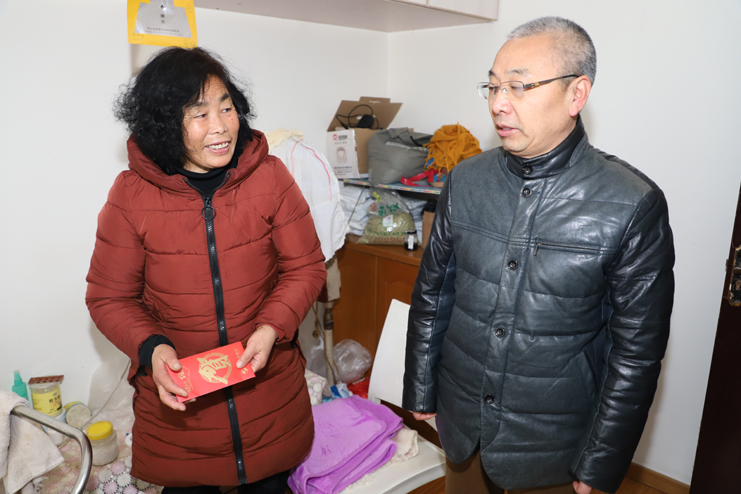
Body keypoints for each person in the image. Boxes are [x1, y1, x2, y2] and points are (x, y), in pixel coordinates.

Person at [402, 16, 674, 494]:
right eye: (492, 86)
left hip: (555, 450)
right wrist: (420, 388)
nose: (498, 103)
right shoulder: (466, 181)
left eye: (519, 86)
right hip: (463, 426)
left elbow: (636, 353)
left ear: (576, 94)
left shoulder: (632, 204)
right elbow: (432, 296)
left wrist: (601, 461)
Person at [86, 47, 326, 493]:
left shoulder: (271, 178)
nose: (220, 126)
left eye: (226, 108)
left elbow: (306, 268)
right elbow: (108, 297)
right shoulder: (131, 196)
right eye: (199, 114)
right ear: (164, 124)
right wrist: (152, 348)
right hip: (182, 417)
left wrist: (271, 328)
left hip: (269, 402)